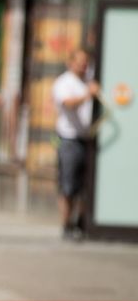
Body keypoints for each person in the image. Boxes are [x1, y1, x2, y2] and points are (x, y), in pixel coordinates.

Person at [52, 49, 100, 240]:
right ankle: (66, 224)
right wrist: (88, 94)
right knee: (68, 185)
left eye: (86, 62)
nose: (83, 66)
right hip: (69, 138)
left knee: (84, 186)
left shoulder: (89, 81)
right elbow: (68, 104)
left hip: (88, 138)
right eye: (79, 62)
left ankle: (81, 222)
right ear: (70, 63)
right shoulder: (64, 83)